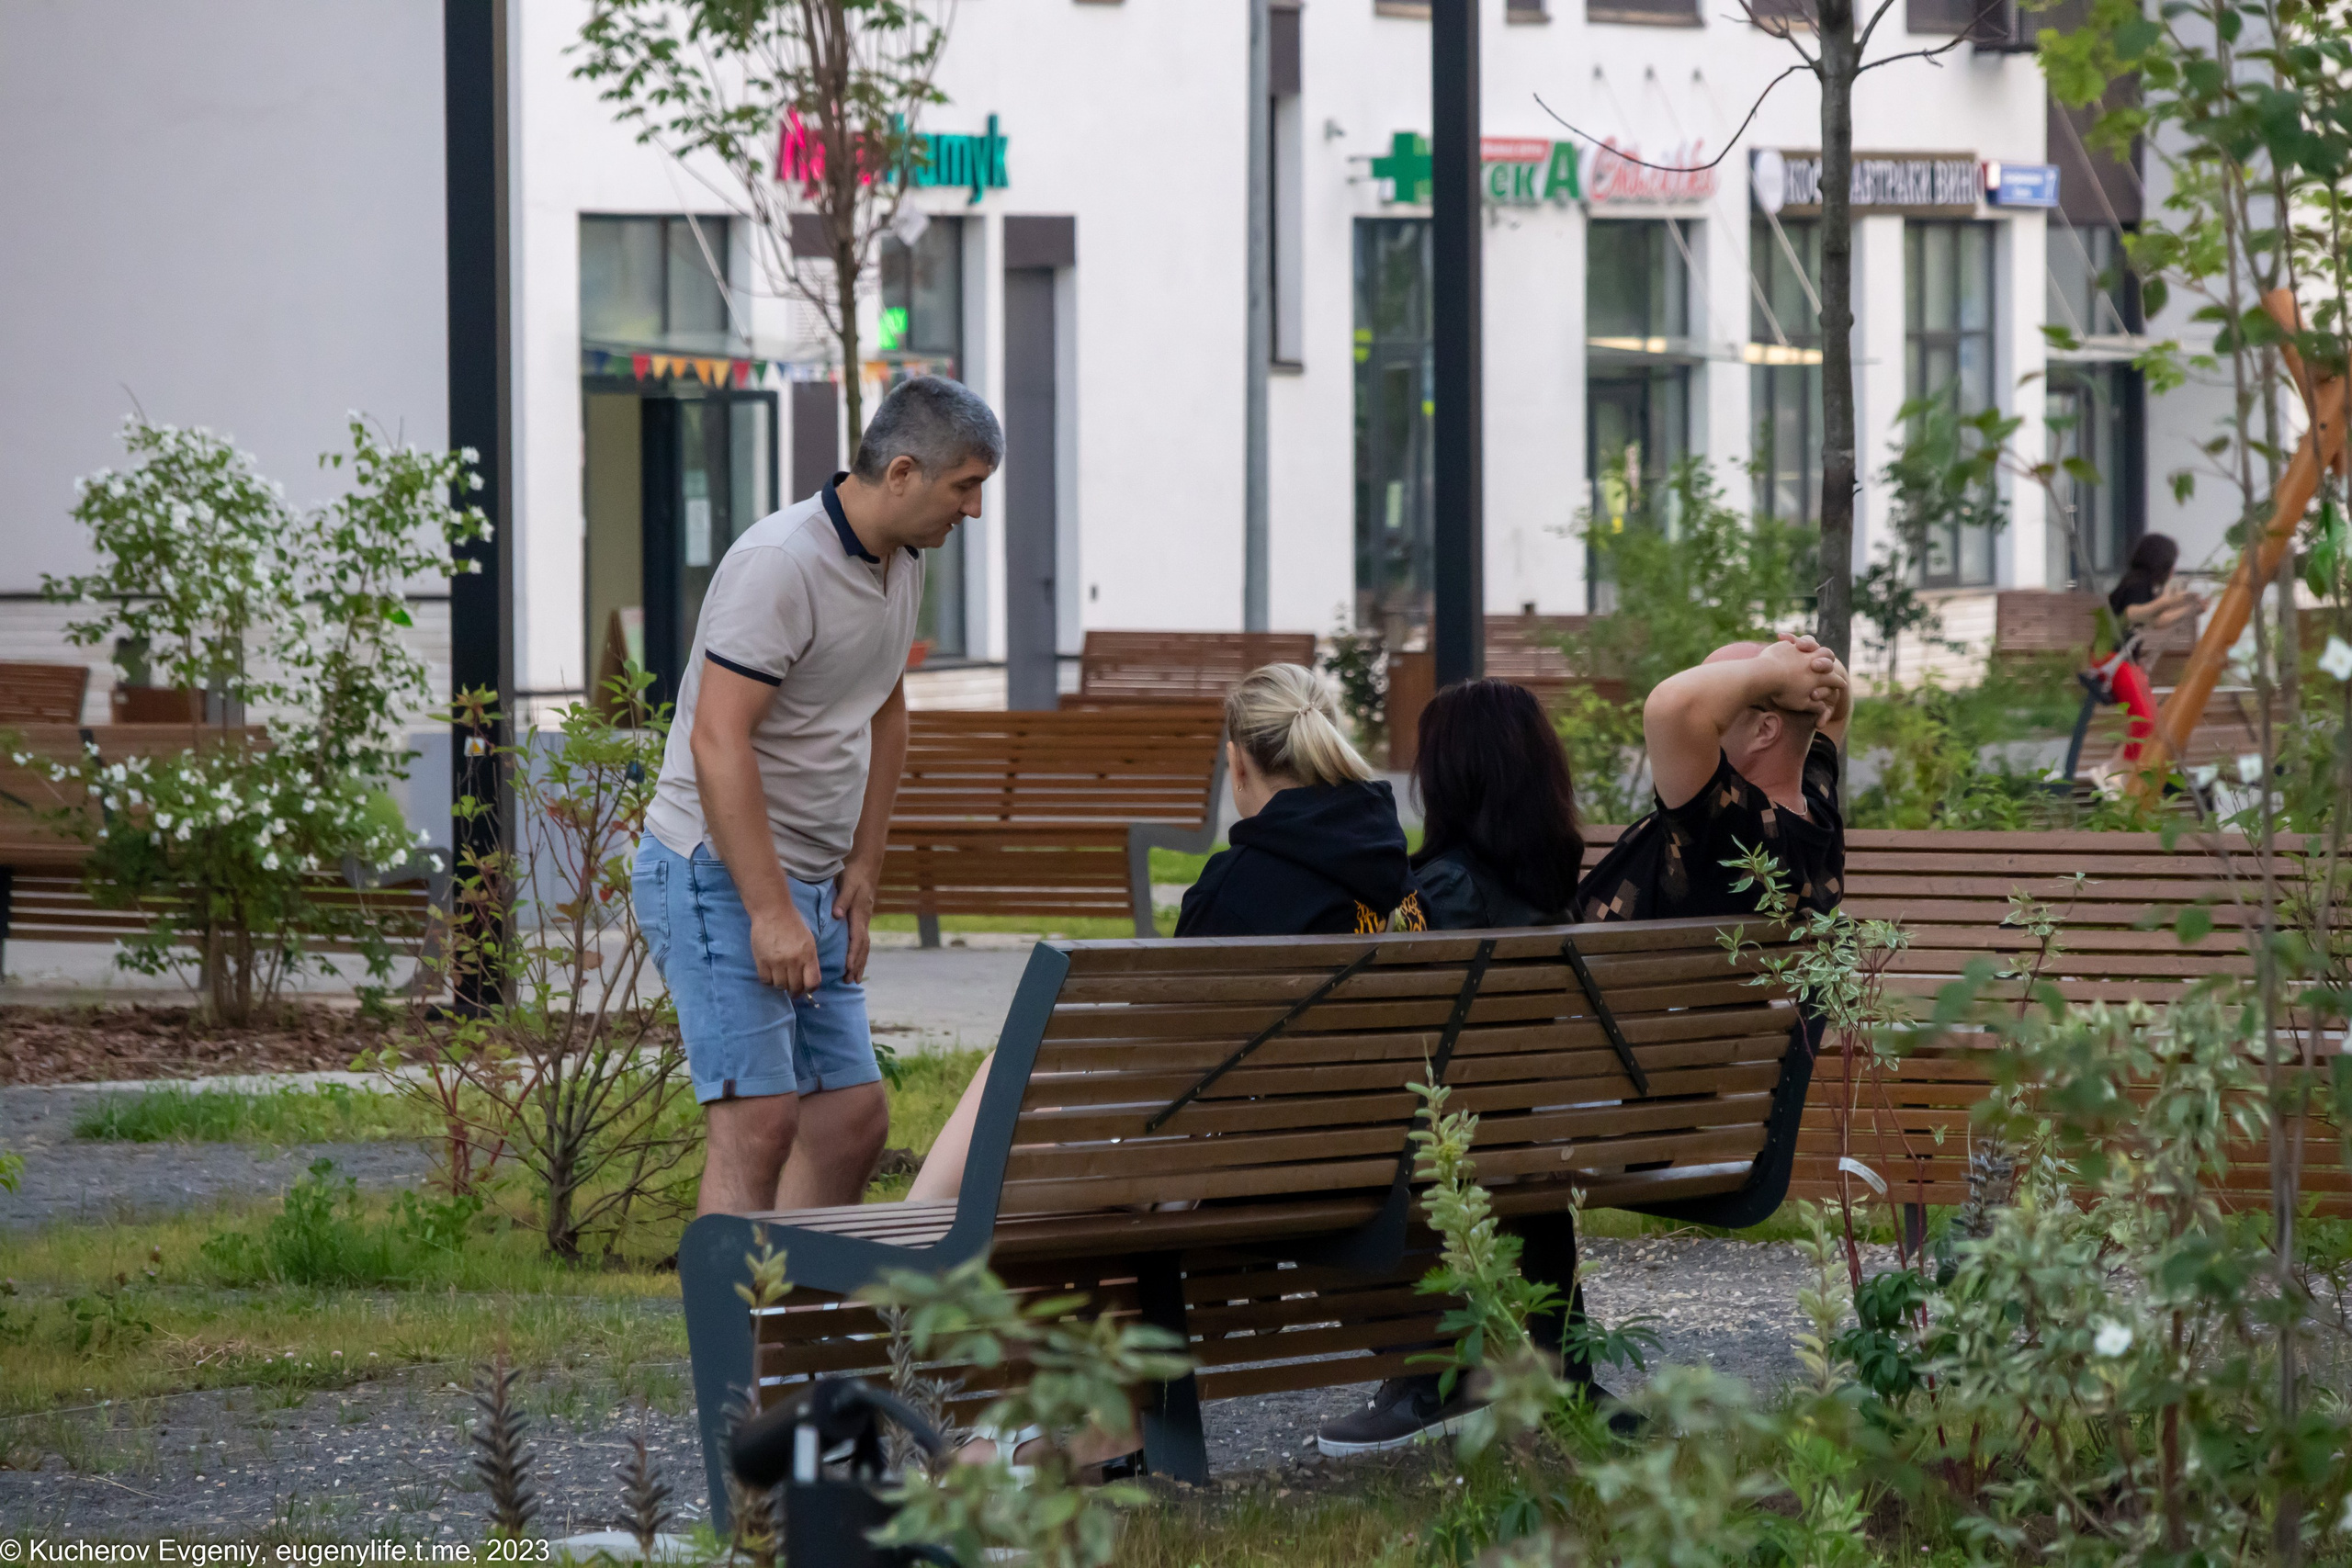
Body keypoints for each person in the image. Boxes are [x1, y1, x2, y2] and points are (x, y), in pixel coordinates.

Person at [906, 662, 1414, 1476]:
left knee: (1029, 1132)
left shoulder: (1242, 887)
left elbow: (1165, 1061)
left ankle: (923, 1236)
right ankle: (1100, 1426)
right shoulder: (1394, 874)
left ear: (1238, 763)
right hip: (1355, 1160)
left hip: (1239, 1171)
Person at [632, 375, 1001, 1220]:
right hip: (712, 872)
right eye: (966, 487)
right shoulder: (780, 564)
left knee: (847, 1124)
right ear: (903, 472)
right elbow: (717, 739)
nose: (974, 511)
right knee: (757, 1125)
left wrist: (864, 866)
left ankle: (795, 1348)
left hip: (813, 880)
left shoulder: (898, 561)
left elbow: (887, 709)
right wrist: (768, 911)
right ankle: (734, 1354)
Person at [1316, 677, 1599, 1457]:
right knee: (1512, 1152)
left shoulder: (1443, 888)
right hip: (1532, 1138)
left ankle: (1429, 1376)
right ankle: (1562, 1364)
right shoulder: (1554, 889)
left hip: (1448, 1143)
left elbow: (1389, 1027)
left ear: (1450, 779)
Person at [1576, 634, 1851, 927]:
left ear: (1764, 730)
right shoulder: (1816, 814)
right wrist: (1815, 668)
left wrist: (1779, 671)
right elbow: (1836, 711)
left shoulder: (1730, 826)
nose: (1708, 699)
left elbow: (1673, 705)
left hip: (1566, 969)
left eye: (1721, 697)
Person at [2091, 533, 2203, 773]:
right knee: (2145, 721)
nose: (2173, 569)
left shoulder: (2140, 584)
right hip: (2112, 658)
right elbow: (2133, 614)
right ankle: (2115, 774)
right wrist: (2170, 601)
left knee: (2150, 719)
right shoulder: (2136, 584)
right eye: (2172, 563)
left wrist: (2189, 611)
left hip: (2121, 660)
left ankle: (2115, 770)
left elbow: (2156, 621)